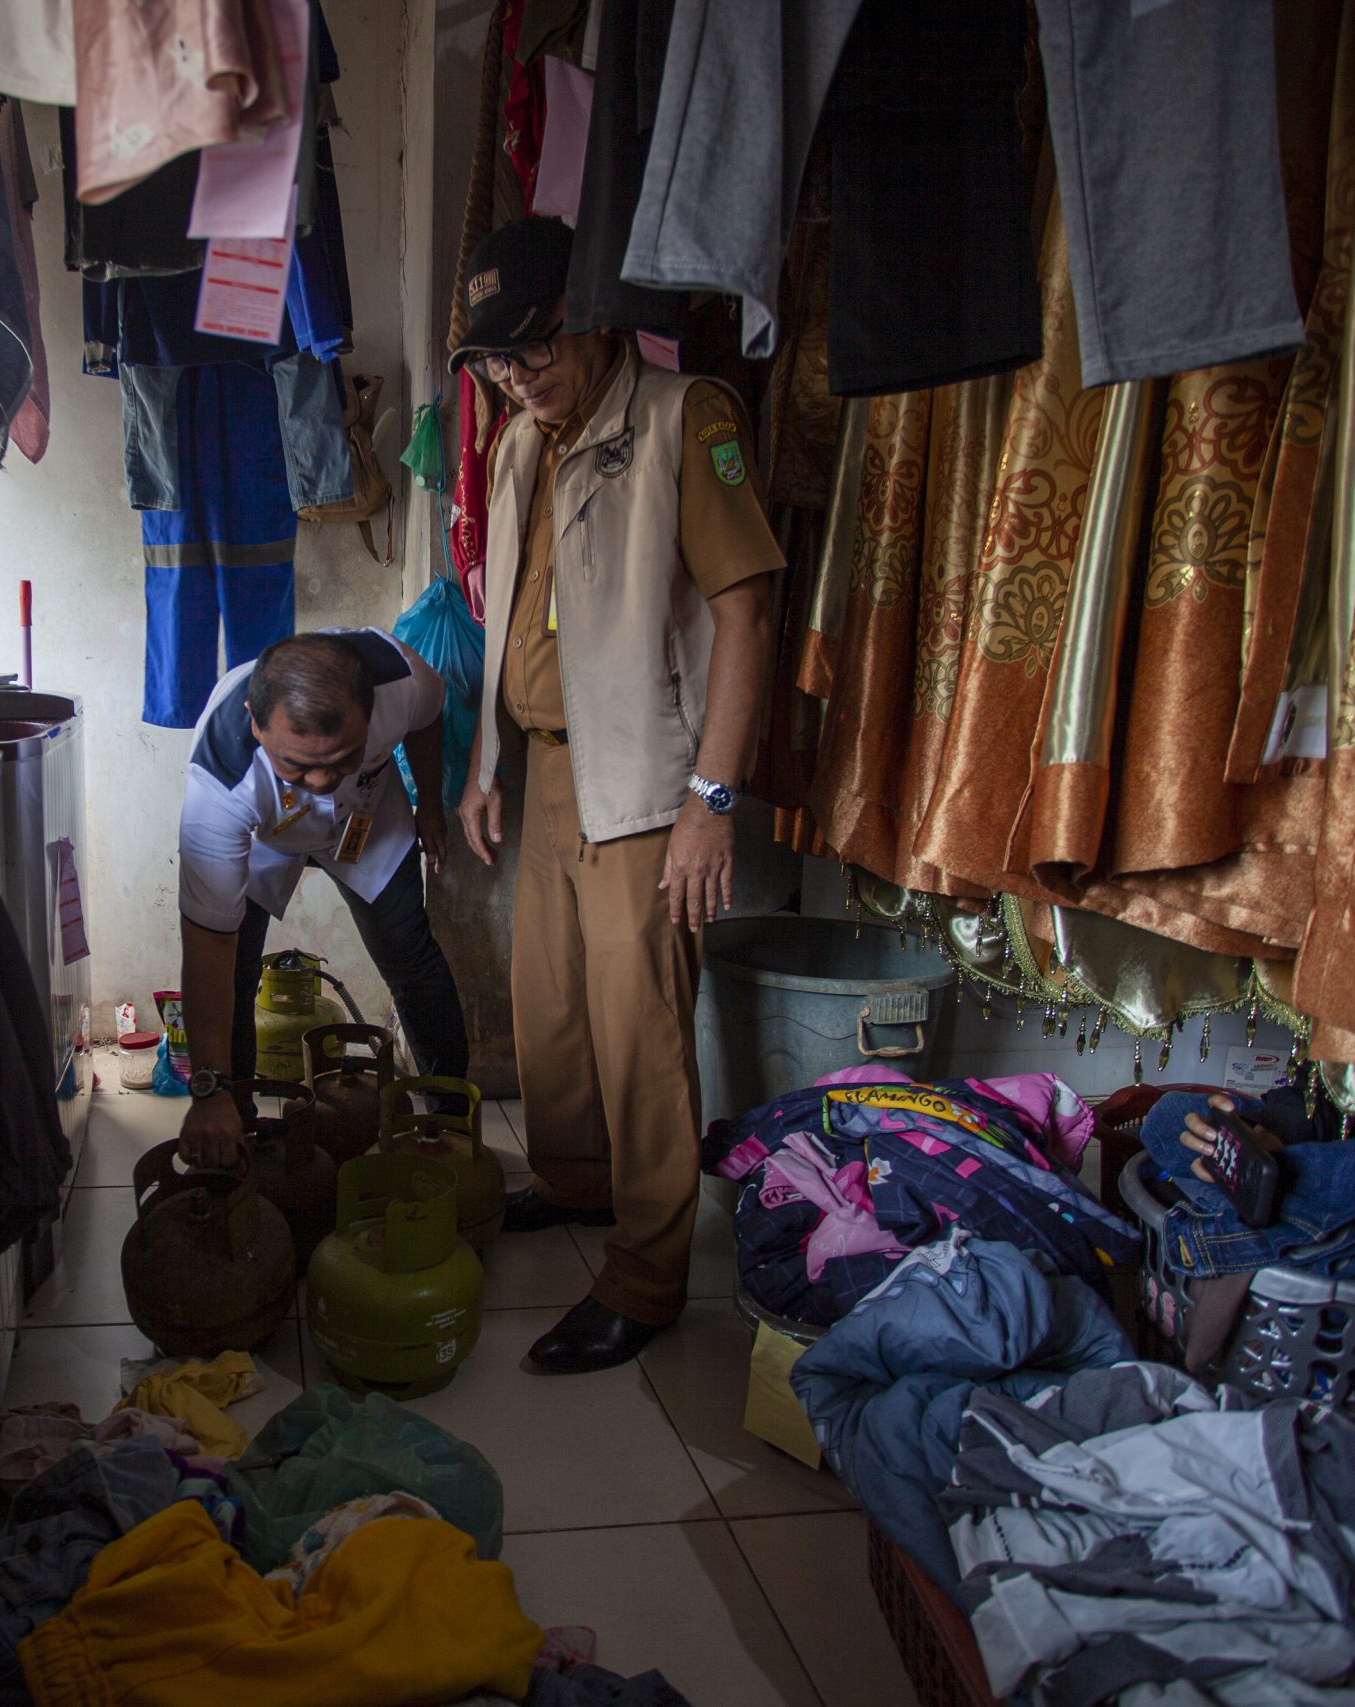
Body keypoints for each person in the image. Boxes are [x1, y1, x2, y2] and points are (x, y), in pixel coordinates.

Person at [452, 216, 783, 1374]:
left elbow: (746, 615)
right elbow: (512, 615)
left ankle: (646, 1272)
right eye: (498, 358)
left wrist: (711, 801)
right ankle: (576, 1182)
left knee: (638, 1026)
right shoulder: (516, 440)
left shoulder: (686, 418)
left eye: (536, 344)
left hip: (645, 779)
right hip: (547, 763)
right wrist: (485, 766)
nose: (517, 373)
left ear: (593, 317)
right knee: (547, 1005)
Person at [175, 629, 469, 1164]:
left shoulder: (399, 678)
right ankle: (235, 1125)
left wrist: (428, 802)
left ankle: (447, 1122)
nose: (319, 781)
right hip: (264, 838)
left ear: (370, 709)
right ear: (255, 722)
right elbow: (207, 950)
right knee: (236, 969)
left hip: (367, 823)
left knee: (410, 957)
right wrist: (207, 1090)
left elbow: (428, 719)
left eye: (342, 759)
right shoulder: (219, 780)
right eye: (296, 765)